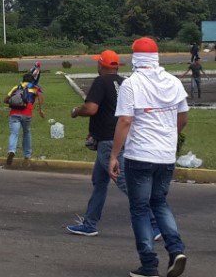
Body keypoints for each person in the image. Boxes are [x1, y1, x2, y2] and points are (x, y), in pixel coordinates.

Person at [109, 37, 188, 277]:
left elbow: (125, 120)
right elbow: (183, 117)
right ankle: (176, 250)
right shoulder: (173, 82)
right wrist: (168, 138)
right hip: (165, 156)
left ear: (135, 58)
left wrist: (114, 155)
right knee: (160, 203)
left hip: (140, 155)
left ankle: (149, 265)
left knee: (140, 209)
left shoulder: (131, 84)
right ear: (156, 57)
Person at [66, 50, 161, 240]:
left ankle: (154, 224)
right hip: (121, 137)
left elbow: (91, 108)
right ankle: (89, 224)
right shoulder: (125, 82)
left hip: (109, 143)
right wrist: (95, 131)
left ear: (101, 65)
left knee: (126, 183)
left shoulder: (100, 81)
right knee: (99, 182)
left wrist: (76, 111)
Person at [4, 73, 45, 166]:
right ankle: (27, 155)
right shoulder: (34, 88)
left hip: (14, 113)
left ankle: (11, 151)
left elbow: (5, 100)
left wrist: (13, 101)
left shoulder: (16, 87)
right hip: (27, 114)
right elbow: (41, 99)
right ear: (32, 81)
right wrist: (40, 110)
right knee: (26, 132)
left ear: (23, 80)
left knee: (14, 133)